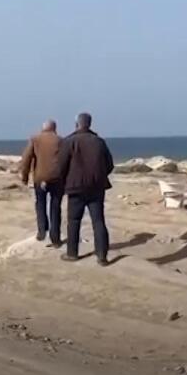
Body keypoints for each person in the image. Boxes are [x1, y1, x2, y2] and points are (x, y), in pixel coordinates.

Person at [57, 113, 114, 265]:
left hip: (76, 187)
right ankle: (102, 256)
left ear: (77, 124)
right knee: (98, 221)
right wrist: (98, 176)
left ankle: (72, 253)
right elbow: (109, 164)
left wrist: (64, 182)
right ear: (89, 124)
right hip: (96, 187)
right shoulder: (99, 142)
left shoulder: (69, 141)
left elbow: (61, 166)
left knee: (74, 221)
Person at [20, 120, 64, 247]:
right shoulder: (60, 140)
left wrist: (24, 176)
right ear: (55, 129)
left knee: (40, 204)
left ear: (42, 128)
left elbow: (26, 159)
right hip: (57, 178)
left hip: (40, 178)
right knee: (55, 207)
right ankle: (55, 238)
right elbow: (66, 159)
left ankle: (41, 231)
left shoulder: (35, 139)